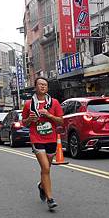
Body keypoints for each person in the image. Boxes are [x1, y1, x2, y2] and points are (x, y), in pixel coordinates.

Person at [22, 77, 64, 210]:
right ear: (35, 87)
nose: (43, 86)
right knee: (45, 168)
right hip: (37, 138)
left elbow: (61, 121)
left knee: (47, 168)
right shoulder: (29, 104)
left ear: (48, 88)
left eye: (45, 85)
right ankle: (50, 199)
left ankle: (41, 185)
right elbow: (24, 122)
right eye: (40, 84)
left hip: (51, 139)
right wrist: (30, 119)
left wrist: (49, 115)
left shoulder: (54, 103)